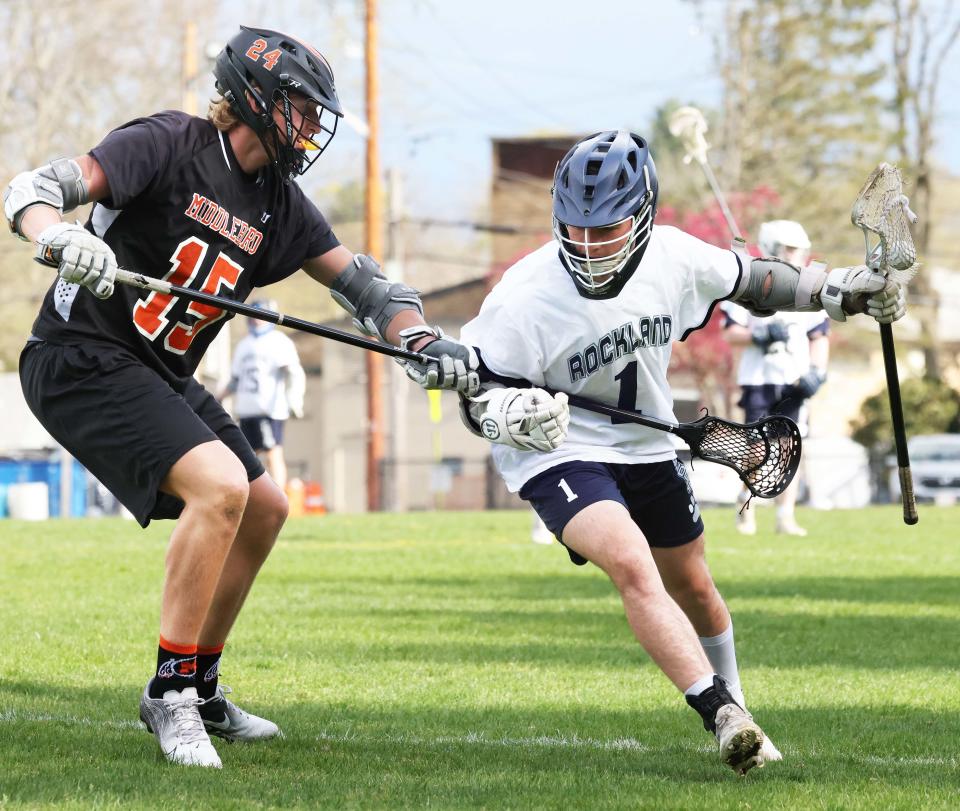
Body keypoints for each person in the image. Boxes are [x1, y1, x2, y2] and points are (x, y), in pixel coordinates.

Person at [8, 25, 477, 769]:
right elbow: (32, 190)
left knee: (265, 505)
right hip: (81, 355)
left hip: (157, 370)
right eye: (303, 109)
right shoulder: (168, 142)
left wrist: (420, 341)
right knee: (223, 487)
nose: (315, 127)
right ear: (257, 98)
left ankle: (200, 680)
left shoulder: (279, 205)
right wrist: (59, 236)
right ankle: (170, 695)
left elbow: (365, 287)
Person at [442, 130, 904, 775]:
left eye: (608, 228)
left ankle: (736, 697)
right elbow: (475, 396)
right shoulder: (523, 296)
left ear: (645, 214)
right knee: (633, 564)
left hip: (650, 439)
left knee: (696, 585)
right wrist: (503, 412)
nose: (590, 244)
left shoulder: (674, 256)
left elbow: (755, 280)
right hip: (562, 449)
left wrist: (842, 290)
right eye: (576, 229)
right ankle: (722, 716)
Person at [721, 221, 830, 536]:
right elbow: (731, 333)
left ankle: (786, 517)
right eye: (789, 248)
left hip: (793, 381)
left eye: (798, 249)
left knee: (788, 449)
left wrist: (817, 373)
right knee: (757, 448)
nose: (795, 255)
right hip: (759, 378)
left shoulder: (809, 290)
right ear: (773, 248)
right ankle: (747, 505)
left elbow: (819, 336)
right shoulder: (750, 283)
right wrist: (760, 336)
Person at [219, 299, 306, 491]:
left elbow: (293, 373)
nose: (257, 320)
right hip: (246, 409)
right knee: (249, 456)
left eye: (261, 315)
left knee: (273, 452)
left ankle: (280, 498)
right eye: (253, 316)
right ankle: (258, 498)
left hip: (269, 409)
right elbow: (235, 380)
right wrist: (218, 398)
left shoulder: (279, 341)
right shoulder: (244, 345)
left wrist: (294, 400)